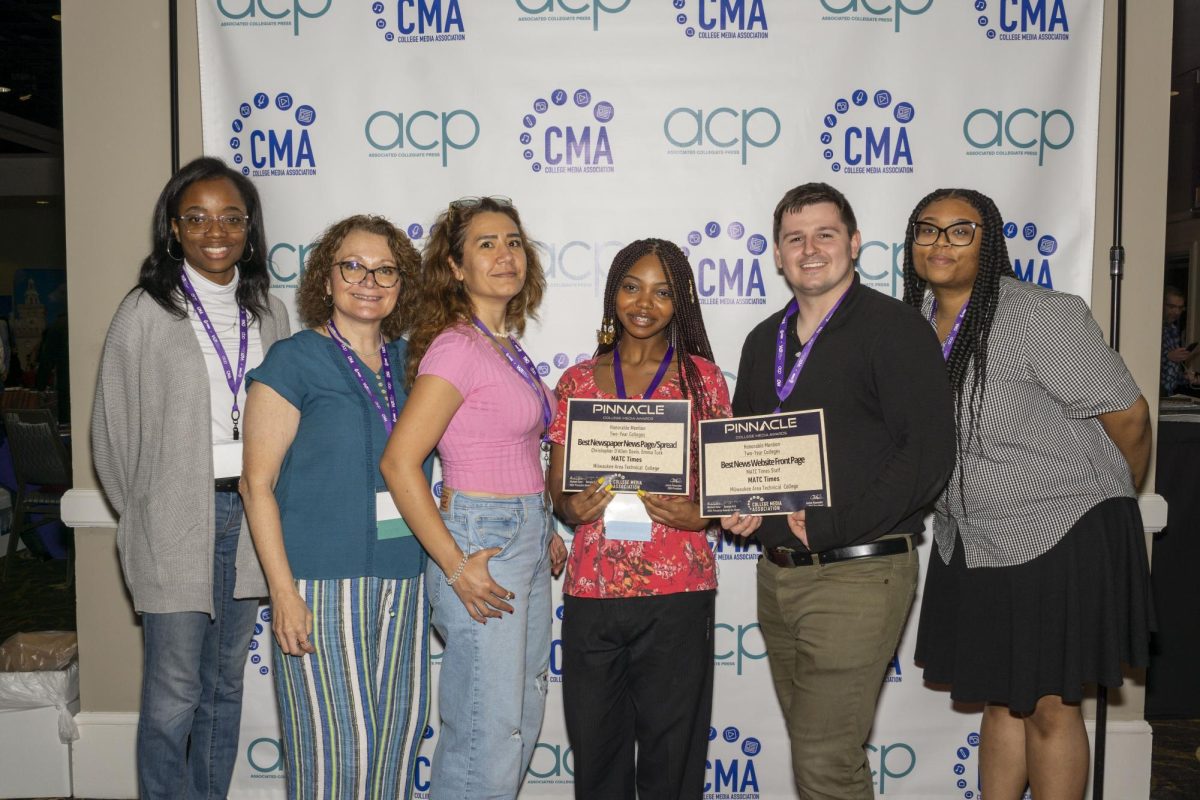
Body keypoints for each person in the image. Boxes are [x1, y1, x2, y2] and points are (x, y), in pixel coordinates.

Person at [903, 188, 1153, 800]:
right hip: (975, 539)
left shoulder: (1038, 313)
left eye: (960, 231)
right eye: (927, 229)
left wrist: (1114, 497)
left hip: (1058, 532)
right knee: (999, 701)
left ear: (989, 244)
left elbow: (1131, 418)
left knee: (1048, 707)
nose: (940, 242)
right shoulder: (907, 328)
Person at [723, 182, 955, 799]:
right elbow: (750, 452)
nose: (810, 249)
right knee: (821, 755)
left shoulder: (896, 329)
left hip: (858, 574)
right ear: (777, 254)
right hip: (779, 579)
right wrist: (742, 506)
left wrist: (830, 525)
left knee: (825, 760)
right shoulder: (759, 341)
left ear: (854, 243)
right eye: (795, 238)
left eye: (825, 234)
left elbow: (927, 458)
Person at [92, 156, 290, 800]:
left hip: (251, 516)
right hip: (175, 523)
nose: (216, 230)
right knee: (174, 691)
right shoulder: (145, 312)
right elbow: (111, 435)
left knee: (223, 685)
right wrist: (151, 511)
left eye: (231, 217)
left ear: (250, 229)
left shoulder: (270, 314)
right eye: (197, 217)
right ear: (173, 228)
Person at [379, 196, 567, 799]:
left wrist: (547, 530)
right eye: (485, 244)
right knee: (485, 729)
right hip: (482, 541)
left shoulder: (505, 345)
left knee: (518, 715)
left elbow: (513, 449)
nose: (505, 254)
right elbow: (400, 462)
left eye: (513, 241)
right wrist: (456, 565)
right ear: (455, 268)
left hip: (526, 535)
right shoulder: (457, 346)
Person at [239, 215, 430, 799]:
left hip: (405, 582)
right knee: (334, 762)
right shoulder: (293, 361)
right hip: (319, 588)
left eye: (385, 269)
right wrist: (284, 592)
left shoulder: (415, 365)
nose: (368, 279)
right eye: (352, 265)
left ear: (401, 285)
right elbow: (256, 485)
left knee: (395, 752)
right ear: (326, 278)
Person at [546, 238, 731, 799]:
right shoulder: (577, 380)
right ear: (613, 295)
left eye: (662, 291)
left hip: (678, 586)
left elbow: (727, 488)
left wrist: (703, 513)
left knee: (672, 752)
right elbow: (559, 489)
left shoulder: (703, 378)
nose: (644, 303)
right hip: (591, 589)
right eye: (631, 286)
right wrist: (569, 506)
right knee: (597, 752)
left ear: (681, 304)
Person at [1161, 285, 1191, 396]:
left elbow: (1172, 371)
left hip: (1168, 394)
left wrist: (1187, 377)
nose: (1177, 312)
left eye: (1180, 308)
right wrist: (1168, 356)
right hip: (1151, 390)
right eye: (1172, 307)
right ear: (1162, 304)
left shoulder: (1173, 330)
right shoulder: (1152, 328)